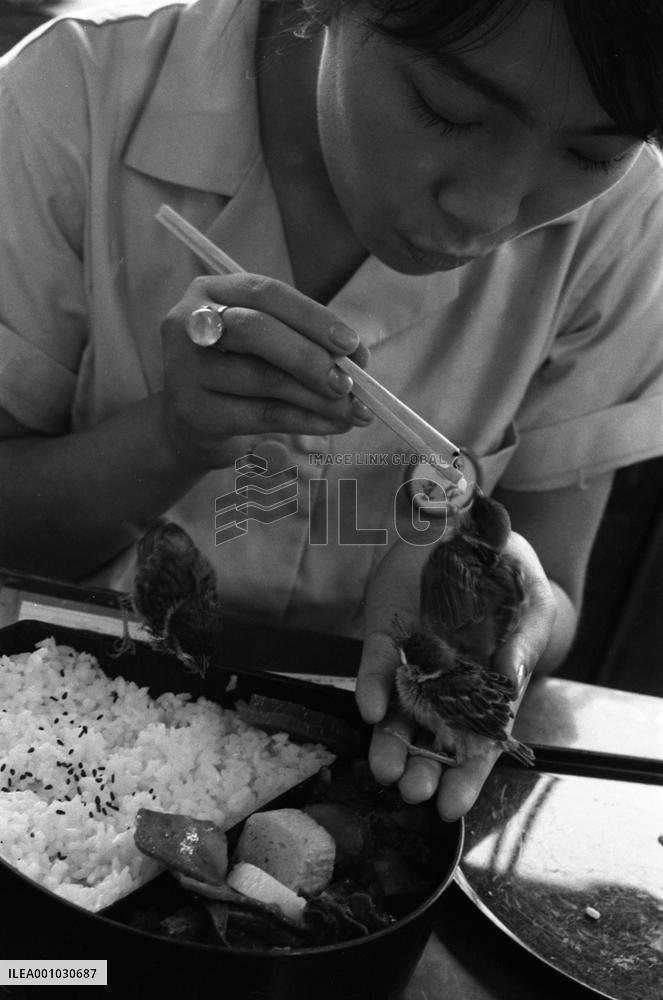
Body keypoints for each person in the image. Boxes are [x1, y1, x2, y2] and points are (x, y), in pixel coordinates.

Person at [1, 0, 663, 821]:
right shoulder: (69, 103)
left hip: (363, 794)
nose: (486, 213)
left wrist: (498, 598)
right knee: (47, 965)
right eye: (446, 109)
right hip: (54, 746)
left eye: (591, 154)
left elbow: (553, 592)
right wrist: (170, 435)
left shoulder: (628, 222)